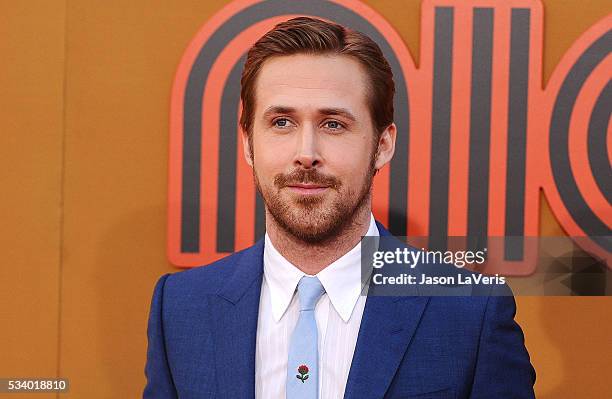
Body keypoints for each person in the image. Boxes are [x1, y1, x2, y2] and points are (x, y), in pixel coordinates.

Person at [144, 17, 535, 399]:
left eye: (333, 124)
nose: (306, 154)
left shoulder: (470, 312)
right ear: (248, 143)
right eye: (282, 122)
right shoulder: (180, 307)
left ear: (383, 145)